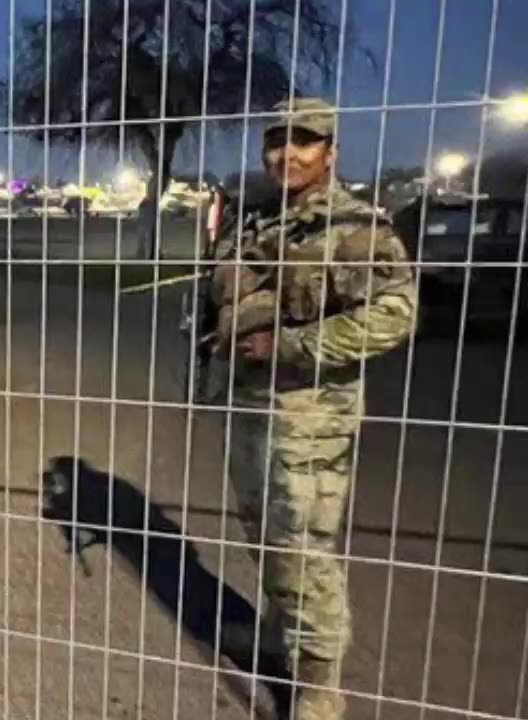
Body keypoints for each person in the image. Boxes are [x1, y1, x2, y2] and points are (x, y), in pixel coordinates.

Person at [210, 97, 416, 719]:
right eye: (277, 141)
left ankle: (320, 681)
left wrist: (295, 344)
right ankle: (278, 635)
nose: (287, 153)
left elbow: (395, 315)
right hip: (250, 404)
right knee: (262, 532)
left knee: (303, 547)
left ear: (331, 151)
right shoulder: (261, 222)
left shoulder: (355, 226)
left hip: (311, 415)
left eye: (304, 141)